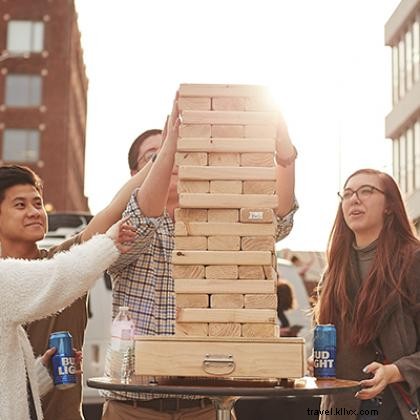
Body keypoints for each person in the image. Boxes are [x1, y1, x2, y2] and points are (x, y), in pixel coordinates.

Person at [101, 95, 299, 420]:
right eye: (155, 156)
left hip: (207, 406)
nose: (172, 159)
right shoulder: (124, 226)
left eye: (179, 151)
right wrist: (167, 149)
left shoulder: (218, 224)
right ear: (135, 173)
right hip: (133, 409)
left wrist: (285, 153)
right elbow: (142, 219)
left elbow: (277, 220)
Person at [0, 162, 153, 420]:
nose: (34, 212)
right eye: (20, 205)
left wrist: (160, 158)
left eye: (38, 203)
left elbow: (114, 210)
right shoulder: (60, 272)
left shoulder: (68, 261)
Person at [312, 168, 420, 420]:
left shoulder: (413, 260)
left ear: (389, 206)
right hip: (340, 409)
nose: (354, 199)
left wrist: (394, 371)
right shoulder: (334, 269)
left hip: (395, 406)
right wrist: (318, 358)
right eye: (347, 194)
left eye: (366, 191)